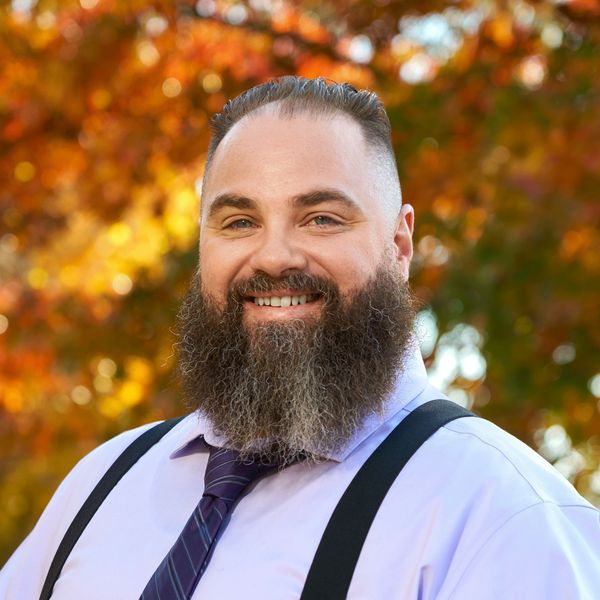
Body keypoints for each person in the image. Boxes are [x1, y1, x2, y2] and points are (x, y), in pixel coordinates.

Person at [1, 76, 599, 599]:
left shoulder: (502, 517)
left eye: (321, 218)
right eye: (240, 221)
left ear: (399, 243)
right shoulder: (101, 487)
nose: (275, 256)